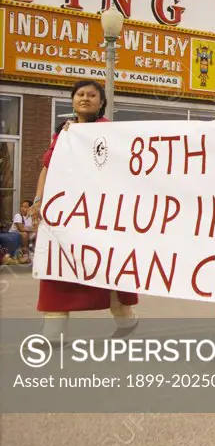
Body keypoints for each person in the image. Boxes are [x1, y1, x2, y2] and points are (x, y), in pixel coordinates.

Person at [29, 80, 139, 339]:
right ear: (72, 100)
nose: (85, 98)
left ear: (102, 103)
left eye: (92, 95)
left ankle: (126, 319)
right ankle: (54, 331)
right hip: (64, 215)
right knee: (57, 268)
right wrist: (37, 200)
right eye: (80, 94)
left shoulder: (110, 132)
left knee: (105, 268)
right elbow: (48, 168)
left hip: (98, 214)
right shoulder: (63, 133)